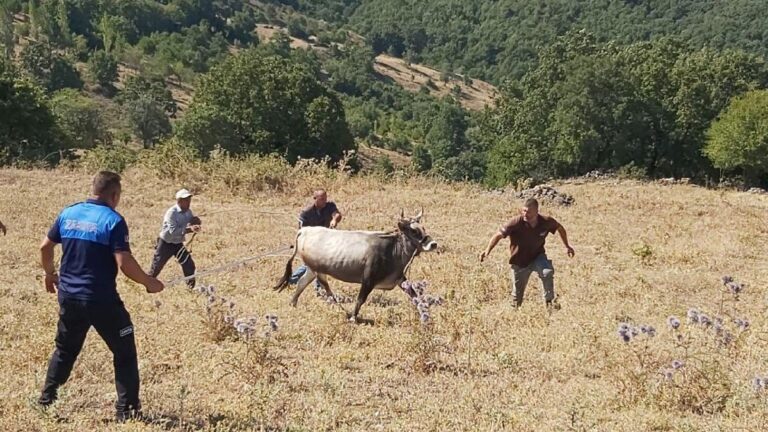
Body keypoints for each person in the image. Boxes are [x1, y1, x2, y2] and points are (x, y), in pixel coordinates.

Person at [38, 171, 164, 422]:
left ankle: (46, 401)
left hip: (69, 296)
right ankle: (126, 412)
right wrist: (149, 282)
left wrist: (50, 273)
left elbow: (45, 247)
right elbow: (124, 262)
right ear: (114, 195)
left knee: (65, 350)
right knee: (124, 351)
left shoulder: (68, 213)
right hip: (101, 300)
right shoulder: (113, 220)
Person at [480, 198, 574, 309]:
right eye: (523, 211)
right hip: (519, 261)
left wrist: (567, 246)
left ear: (536, 211)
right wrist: (487, 251)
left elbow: (560, 228)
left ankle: (550, 303)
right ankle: (514, 312)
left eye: (528, 212)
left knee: (547, 272)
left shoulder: (546, 221)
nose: (525, 214)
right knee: (517, 299)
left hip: (538, 256)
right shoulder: (515, 222)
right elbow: (498, 235)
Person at [288, 189, 342, 291]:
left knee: (316, 265)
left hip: (326, 241)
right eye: (321, 199)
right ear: (315, 199)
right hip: (311, 243)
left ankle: (293, 281)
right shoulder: (306, 212)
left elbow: (337, 214)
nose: (324, 201)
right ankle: (315, 287)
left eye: (325, 199)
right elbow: (302, 230)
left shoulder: (330, 206)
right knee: (314, 265)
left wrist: (334, 219)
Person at [149, 189, 201, 289]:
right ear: (179, 201)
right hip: (166, 243)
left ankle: (191, 288)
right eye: (186, 200)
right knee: (156, 267)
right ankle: (148, 285)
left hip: (177, 243)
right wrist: (190, 229)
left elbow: (191, 223)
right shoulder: (171, 213)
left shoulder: (188, 212)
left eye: (189, 200)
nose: (188, 202)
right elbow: (173, 231)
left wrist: (196, 222)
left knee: (189, 264)